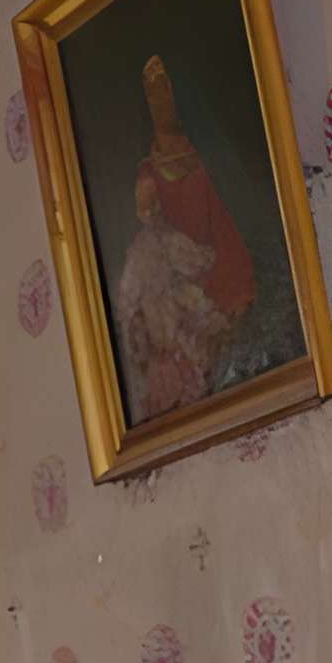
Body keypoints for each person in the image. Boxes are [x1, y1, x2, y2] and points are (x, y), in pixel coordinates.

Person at [112, 54, 256, 419]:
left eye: (163, 88)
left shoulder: (209, 153)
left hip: (214, 248)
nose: (159, 99)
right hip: (173, 254)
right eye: (151, 92)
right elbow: (146, 214)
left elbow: (228, 204)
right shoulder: (149, 170)